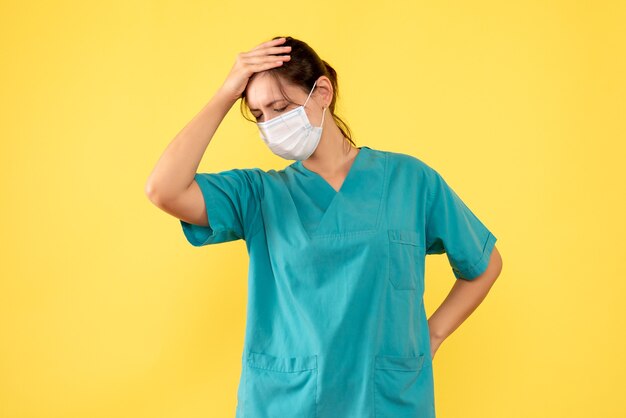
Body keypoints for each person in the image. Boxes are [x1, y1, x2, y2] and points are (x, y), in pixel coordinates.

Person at [146, 35, 503, 418]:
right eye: (259, 115)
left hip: (385, 399)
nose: (270, 124)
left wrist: (432, 335)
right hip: (286, 402)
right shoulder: (259, 194)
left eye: (280, 107)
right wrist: (224, 94)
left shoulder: (409, 180)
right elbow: (163, 189)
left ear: (322, 92)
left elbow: (484, 264)